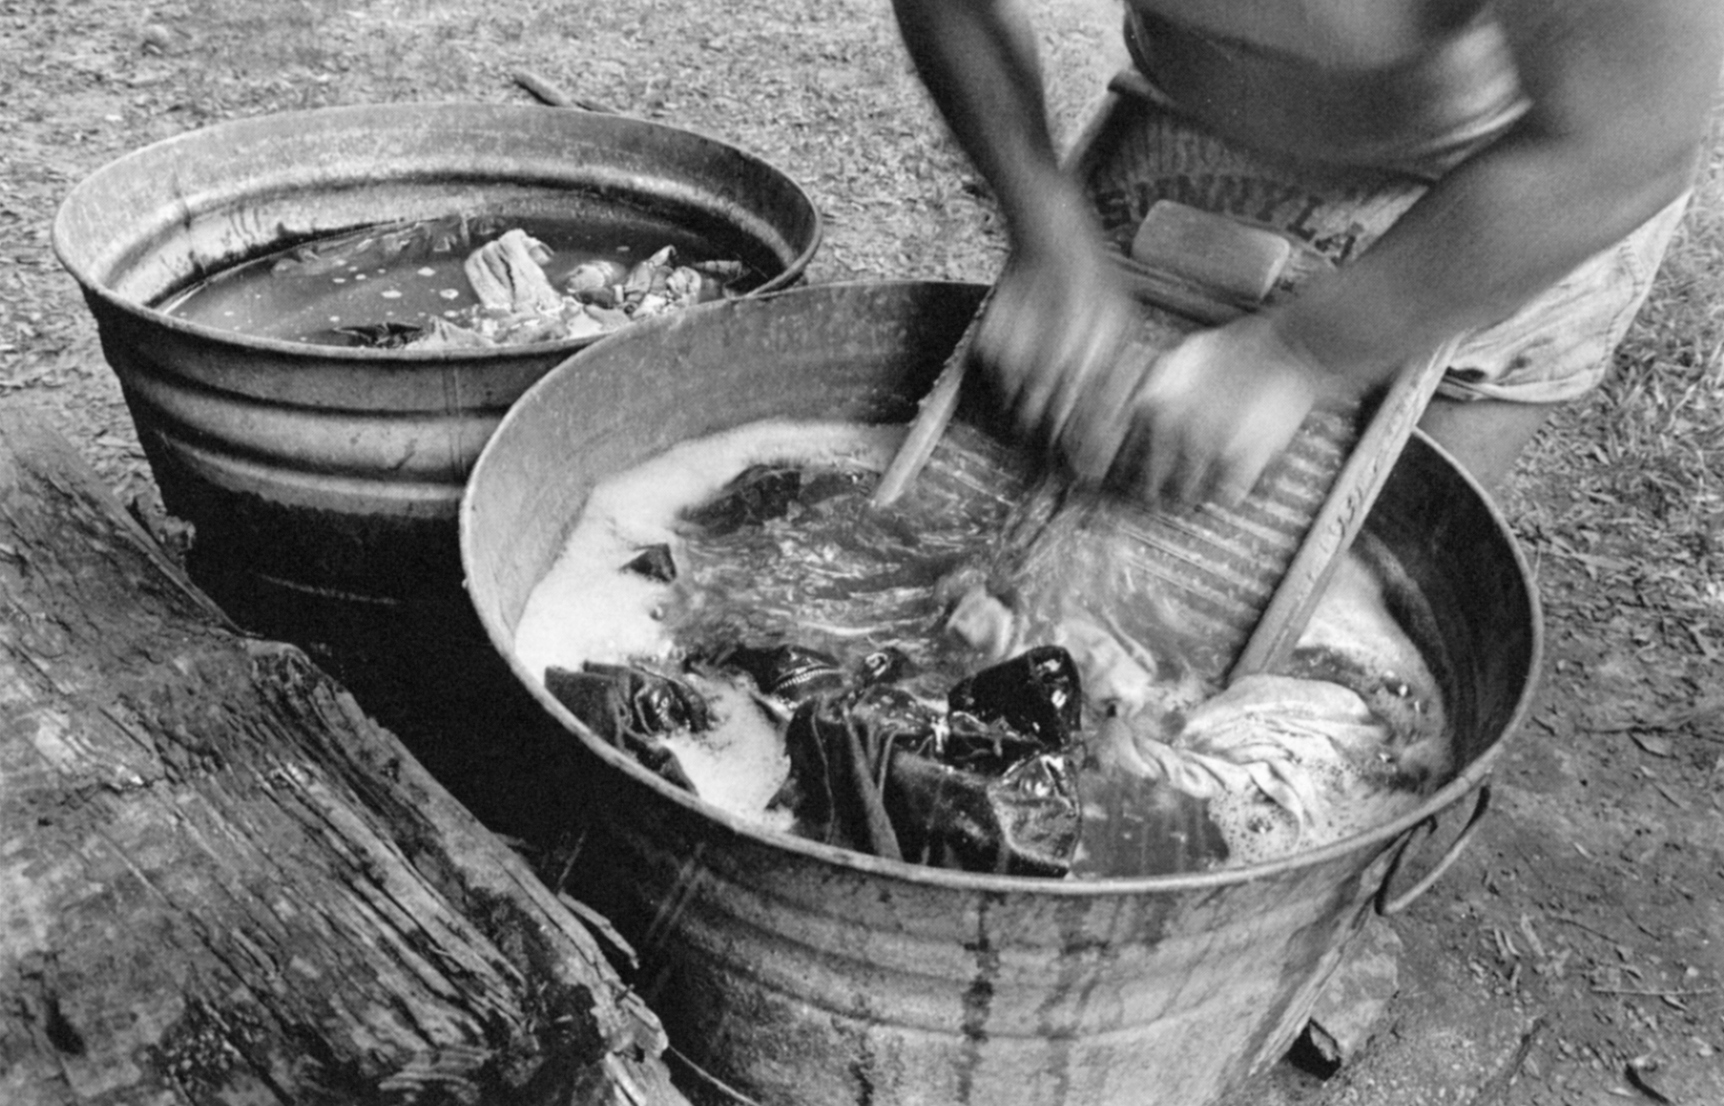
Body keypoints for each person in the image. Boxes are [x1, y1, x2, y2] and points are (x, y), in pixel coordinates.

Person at [889, 0, 1724, 504]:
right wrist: (1044, 222)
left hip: (1510, 189)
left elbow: (1622, 147)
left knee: (1353, 595)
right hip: (1193, 114)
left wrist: (1299, 351)